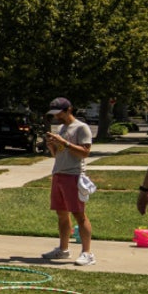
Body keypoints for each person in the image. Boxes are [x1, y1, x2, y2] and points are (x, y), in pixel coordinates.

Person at [41, 98, 95, 266]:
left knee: (79, 215)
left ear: (68, 110)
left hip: (74, 175)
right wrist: (52, 145)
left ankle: (87, 253)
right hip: (59, 174)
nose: (57, 116)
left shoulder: (81, 127)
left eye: (59, 113)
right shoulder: (61, 128)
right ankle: (63, 250)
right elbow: (58, 154)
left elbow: (85, 153)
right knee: (61, 214)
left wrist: (64, 142)